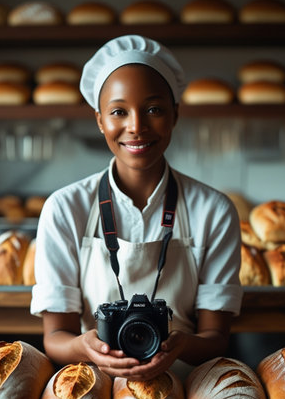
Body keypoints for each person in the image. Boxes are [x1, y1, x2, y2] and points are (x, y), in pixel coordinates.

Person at [31, 35, 242, 381]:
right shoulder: (65, 209)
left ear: (175, 114)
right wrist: (85, 347)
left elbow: (216, 338)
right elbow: (55, 338)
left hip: (186, 386)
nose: (136, 127)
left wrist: (180, 345)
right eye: (118, 112)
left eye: (154, 109)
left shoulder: (214, 211)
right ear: (100, 121)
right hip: (92, 385)